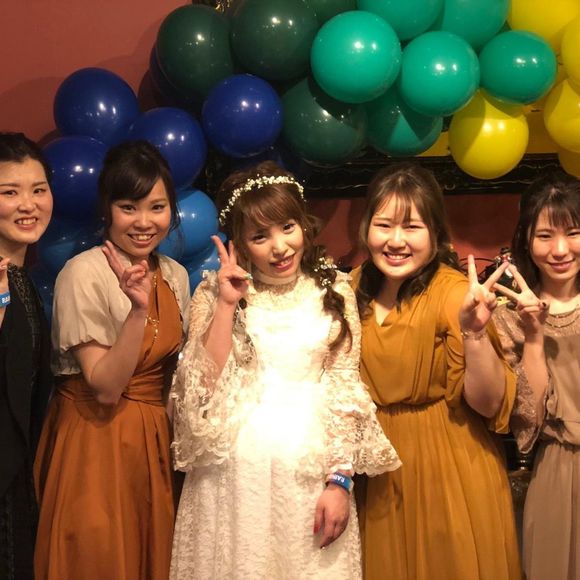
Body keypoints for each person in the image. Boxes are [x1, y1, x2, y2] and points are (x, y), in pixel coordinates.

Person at [169, 161, 401, 579]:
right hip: (232, 476)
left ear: (303, 225)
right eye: (260, 236)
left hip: (307, 473)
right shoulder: (213, 291)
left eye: (288, 227)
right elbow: (201, 386)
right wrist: (226, 305)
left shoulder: (334, 289)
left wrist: (340, 481)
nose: (280, 247)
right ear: (240, 242)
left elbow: (343, 386)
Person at [353, 163, 521, 579]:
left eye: (412, 227)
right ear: (366, 228)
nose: (396, 241)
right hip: (379, 472)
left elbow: (489, 404)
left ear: (435, 233)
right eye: (384, 225)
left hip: (450, 468)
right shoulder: (350, 288)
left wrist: (474, 333)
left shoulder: (454, 293)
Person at [33, 141, 190, 580]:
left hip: (152, 442)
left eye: (157, 207)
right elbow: (104, 387)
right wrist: (138, 312)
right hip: (95, 440)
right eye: (128, 207)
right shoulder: (83, 272)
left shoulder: (175, 274)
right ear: (108, 210)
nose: (144, 222)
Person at [492, 173, 580, 580]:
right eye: (545, 235)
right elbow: (527, 418)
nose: (560, 250)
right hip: (556, 473)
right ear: (526, 240)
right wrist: (533, 334)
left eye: (573, 233)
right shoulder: (508, 316)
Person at [0, 132, 53, 580]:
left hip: (17, 477)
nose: (28, 204)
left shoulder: (21, 279)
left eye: (38, 190)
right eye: (9, 193)